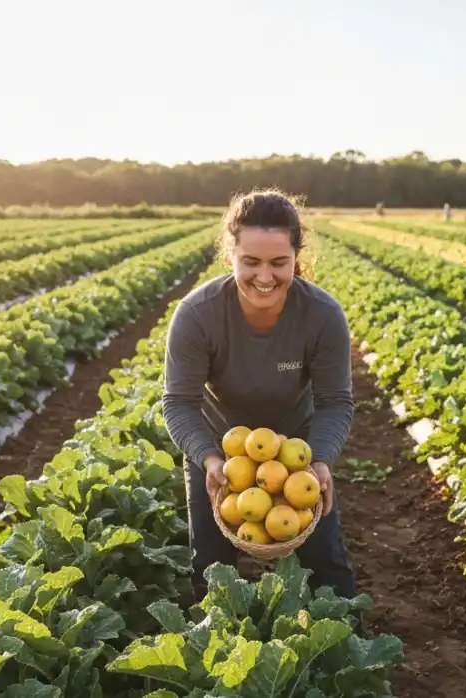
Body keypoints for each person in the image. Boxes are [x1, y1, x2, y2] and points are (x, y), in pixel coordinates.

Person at [162, 188, 358, 606]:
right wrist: (210, 460)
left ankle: (349, 651)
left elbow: (334, 402)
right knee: (211, 569)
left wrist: (320, 460)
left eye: (278, 263)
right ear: (229, 255)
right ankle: (215, 660)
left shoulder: (322, 315)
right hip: (220, 454)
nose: (264, 276)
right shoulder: (198, 315)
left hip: (297, 452)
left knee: (327, 563)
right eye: (250, 262)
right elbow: (179, 403)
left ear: (295, 258)